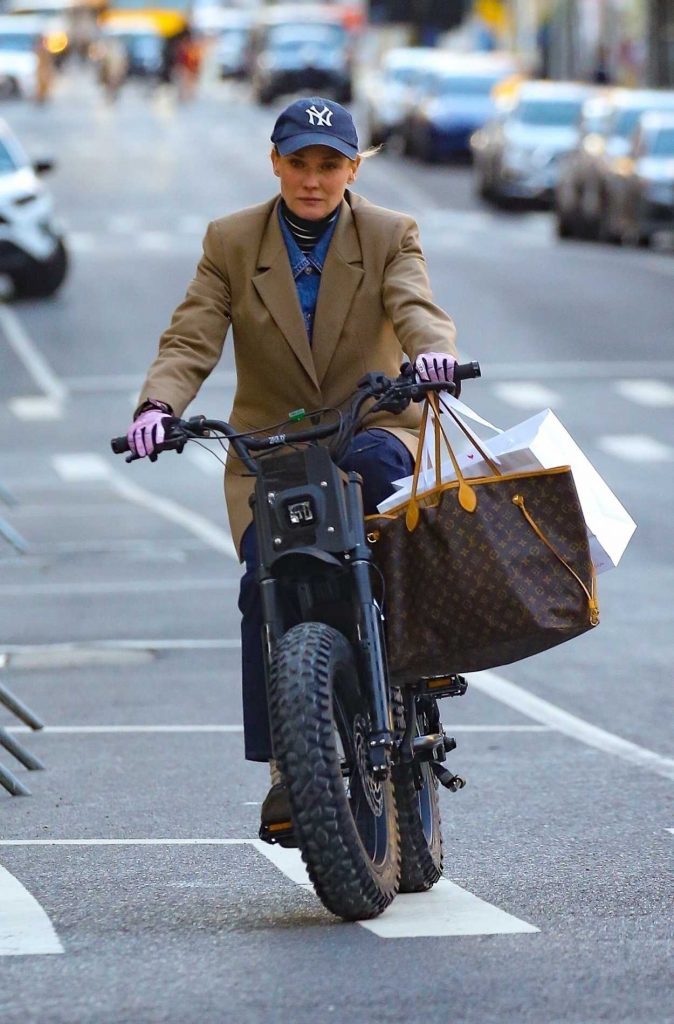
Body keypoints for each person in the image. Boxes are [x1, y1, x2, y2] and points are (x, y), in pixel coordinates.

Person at [125, 96, 458, 838]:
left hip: (370, 427)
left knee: (377, 496)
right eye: (299, 163)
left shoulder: (389, 232)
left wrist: (429, 353)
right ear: (275, 163)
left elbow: (416, 307)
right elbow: (191, 338)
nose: (313, 180)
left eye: (330, 165)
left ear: (352, 167)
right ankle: (288, 769)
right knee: (261, 582)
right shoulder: (231, 241)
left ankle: (405, 658)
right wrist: (158, 405)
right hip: (272, 452)